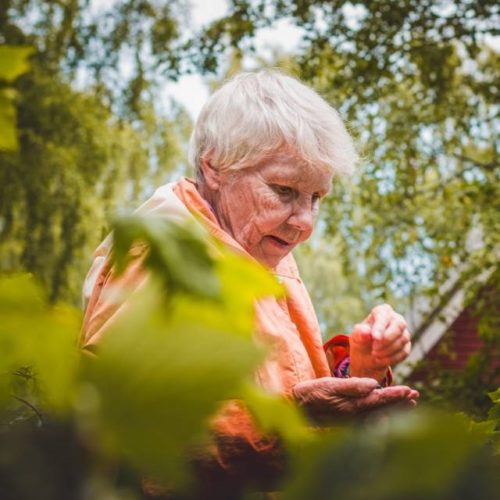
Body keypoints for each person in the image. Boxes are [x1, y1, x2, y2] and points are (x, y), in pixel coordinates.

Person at [81, 69, 418, 497]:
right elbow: (122, 436)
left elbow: (278, 381)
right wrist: (291, 420)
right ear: (215, 166)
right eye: (283, 190)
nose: (304, 222)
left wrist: (360, 367)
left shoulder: (258, 248)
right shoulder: (162, 258)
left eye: (317, 197)